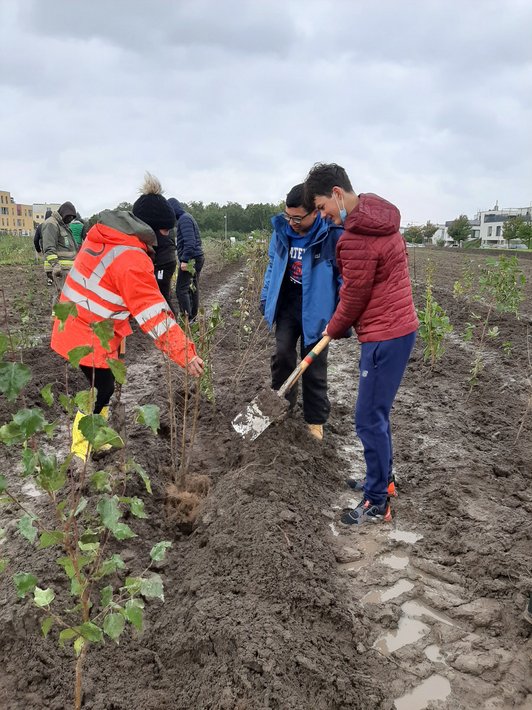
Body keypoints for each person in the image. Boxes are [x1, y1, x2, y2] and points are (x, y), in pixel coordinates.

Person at [304, 163, 418, 524]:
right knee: (377, 414)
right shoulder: (378, 215)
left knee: (368, 418)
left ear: (337, 193)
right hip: (397, 328)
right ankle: (384, 481)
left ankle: (376, 502)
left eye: (322, 207)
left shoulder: (356, 238)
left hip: (385, 333)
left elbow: (353, 297)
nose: (323, 215)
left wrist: (331, 329)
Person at [51, 204, 204, 463]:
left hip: (86, 323)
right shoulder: (130, 258)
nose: (166, 237)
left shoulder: (110, 236)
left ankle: (95, 438)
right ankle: (80, 449)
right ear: (150, 228)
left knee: (103, 386)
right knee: (101, 388)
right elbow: (153, 314)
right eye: (164, 231)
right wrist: (185, 354)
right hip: (86, 329)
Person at [260, 183, 343, 441]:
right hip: (288, 303)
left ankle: (315, 420)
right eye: (288, 216)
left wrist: (342, 311)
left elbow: (343, 276)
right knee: (283, 355)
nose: (292, 222)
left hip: (316, 308)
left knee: (314, 364)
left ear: (315, 212)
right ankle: (282, 408)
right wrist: (265, 296)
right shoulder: (282, 231)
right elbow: (273, 264)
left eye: (298, 217)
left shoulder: (331, 235)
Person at [132, 174, 178, 315]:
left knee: (161, 297)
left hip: (163, 263)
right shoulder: (132, 248)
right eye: (165, 230)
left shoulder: (152, 240)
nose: (167, 234)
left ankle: (170, 326)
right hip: (159, 263)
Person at [167, 198, 205, 321]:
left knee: (181, 289)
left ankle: (187, 319)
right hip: (196, 258)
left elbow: (190, 242)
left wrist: (184, 260)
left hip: (191, 259)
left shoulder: (184, 220)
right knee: (192, 287)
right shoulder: (187, 218)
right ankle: (192, 318)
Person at [42, 201, 79, 290]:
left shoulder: (63, 225)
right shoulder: (51, 224)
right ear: (64, 213)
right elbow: (49, 246)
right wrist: (55, 265)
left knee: (65, 296)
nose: (70, 219)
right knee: (61, 296)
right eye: (69, 217)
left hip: (66, 268)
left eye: (72, 218)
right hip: (59, 268)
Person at [34, 209, 52, 282]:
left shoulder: (40, 226)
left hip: (45, 248)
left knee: (47, 262)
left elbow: (36, 240)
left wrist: (38, 250)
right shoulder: (56, 225)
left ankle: (49, 279)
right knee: (55, 262)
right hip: (55, 247)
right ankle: (56, 278)